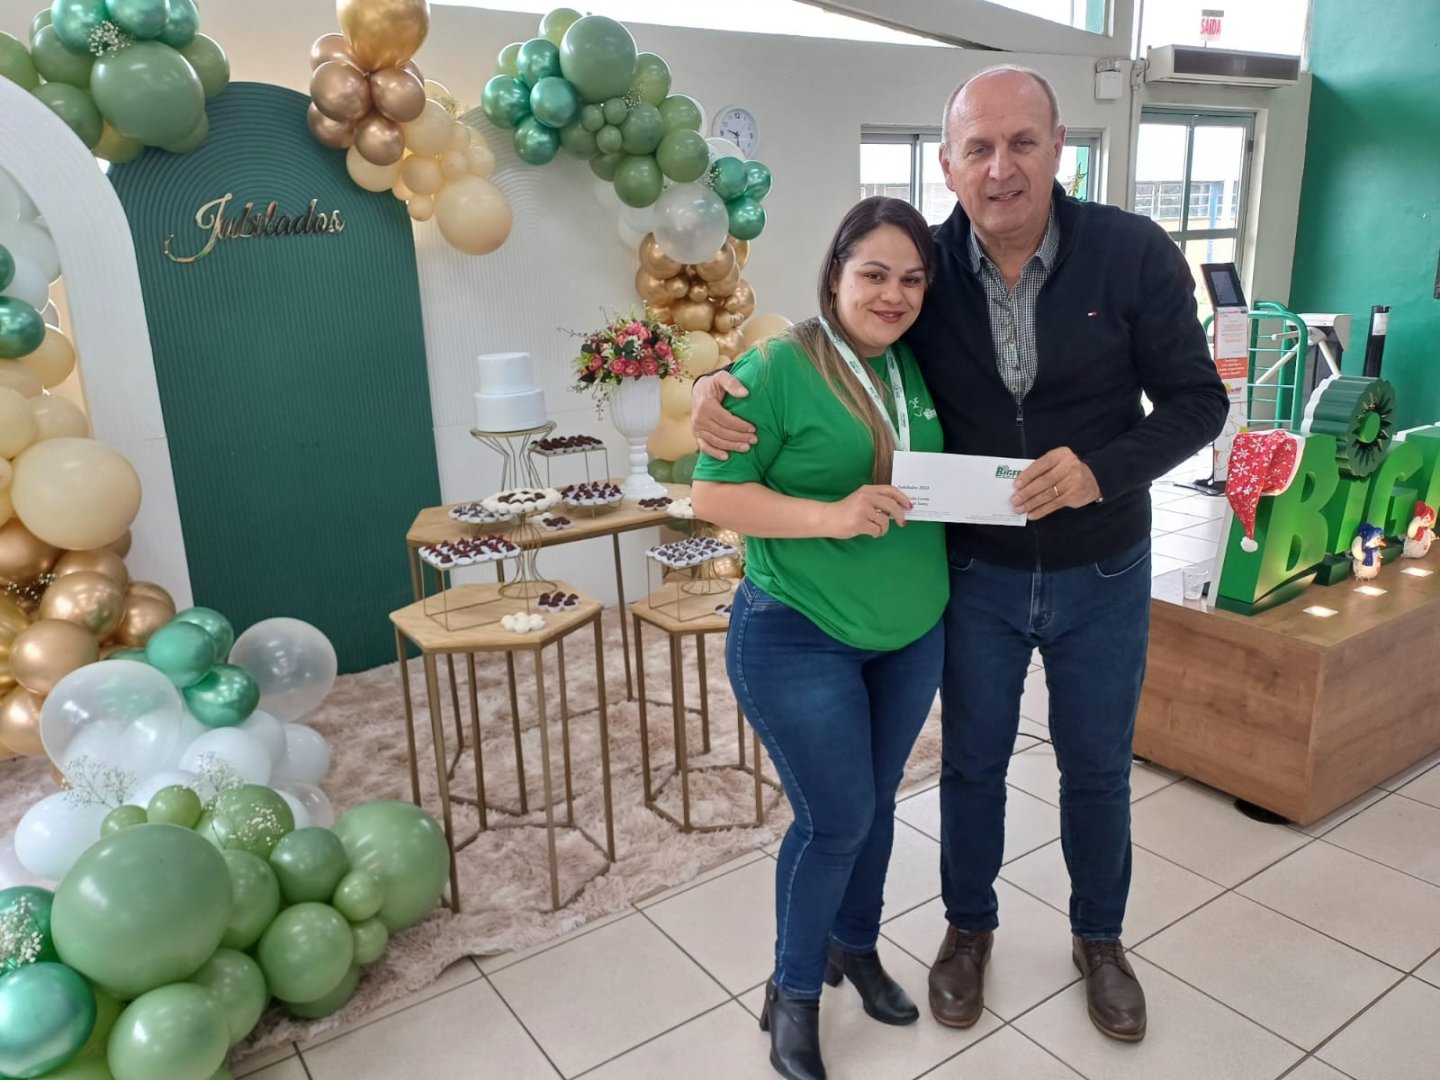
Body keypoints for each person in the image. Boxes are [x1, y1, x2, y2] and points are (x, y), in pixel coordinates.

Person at [693, 66, 1228, 1044]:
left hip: (1103, 566)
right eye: (977, 148)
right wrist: (717, 382)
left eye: (1021, 142)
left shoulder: (1132, 253)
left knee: (1097, 768)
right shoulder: (924, 268)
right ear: (948, 163)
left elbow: (1200, 401)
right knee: (972, 767)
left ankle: (1100, 939)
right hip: (974, 575)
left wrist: (1102, 471)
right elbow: (835, 338)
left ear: (1058, 149)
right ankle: (967, 929)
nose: (1000, 168)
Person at [690, 196, 947, 1080]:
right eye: (873, 274)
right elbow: (712, 495)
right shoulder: (775, 366)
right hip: (797, 635)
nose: (892, 295)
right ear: (834, 274)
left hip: (910, 635)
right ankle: (793, 992)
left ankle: (855, 947)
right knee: (835, 819)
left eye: (911, 279)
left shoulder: (917, 364)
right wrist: (830, 514)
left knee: (875, 806)